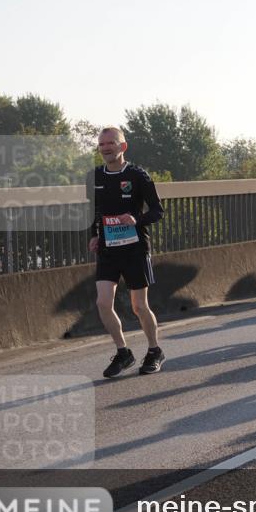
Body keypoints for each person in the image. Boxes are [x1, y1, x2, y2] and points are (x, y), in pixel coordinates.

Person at [88, 126, 166, 377]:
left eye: (110, 143)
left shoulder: (137, 175)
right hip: (108, 249)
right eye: (101, 144)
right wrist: (93, 235)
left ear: (123, 146)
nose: (105, 148)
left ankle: (154, 351)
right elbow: (94, 212)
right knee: (102, 302)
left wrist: (136, 219)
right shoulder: (95, 177)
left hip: (135, 248)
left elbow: (157, 211)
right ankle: (123, 353)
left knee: (139, 306)